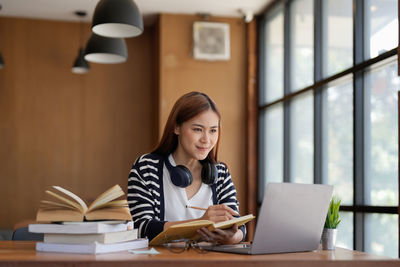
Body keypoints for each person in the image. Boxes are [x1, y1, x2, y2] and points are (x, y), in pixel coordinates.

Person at [127, 91, 244, 244]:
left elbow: (239, 226)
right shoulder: (146, 167)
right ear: (176, 127)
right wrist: (199, 225)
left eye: (213, 130)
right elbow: (141, 227)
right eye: (197, 129)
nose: (206, 140)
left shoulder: (220, 172)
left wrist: (231, 237)